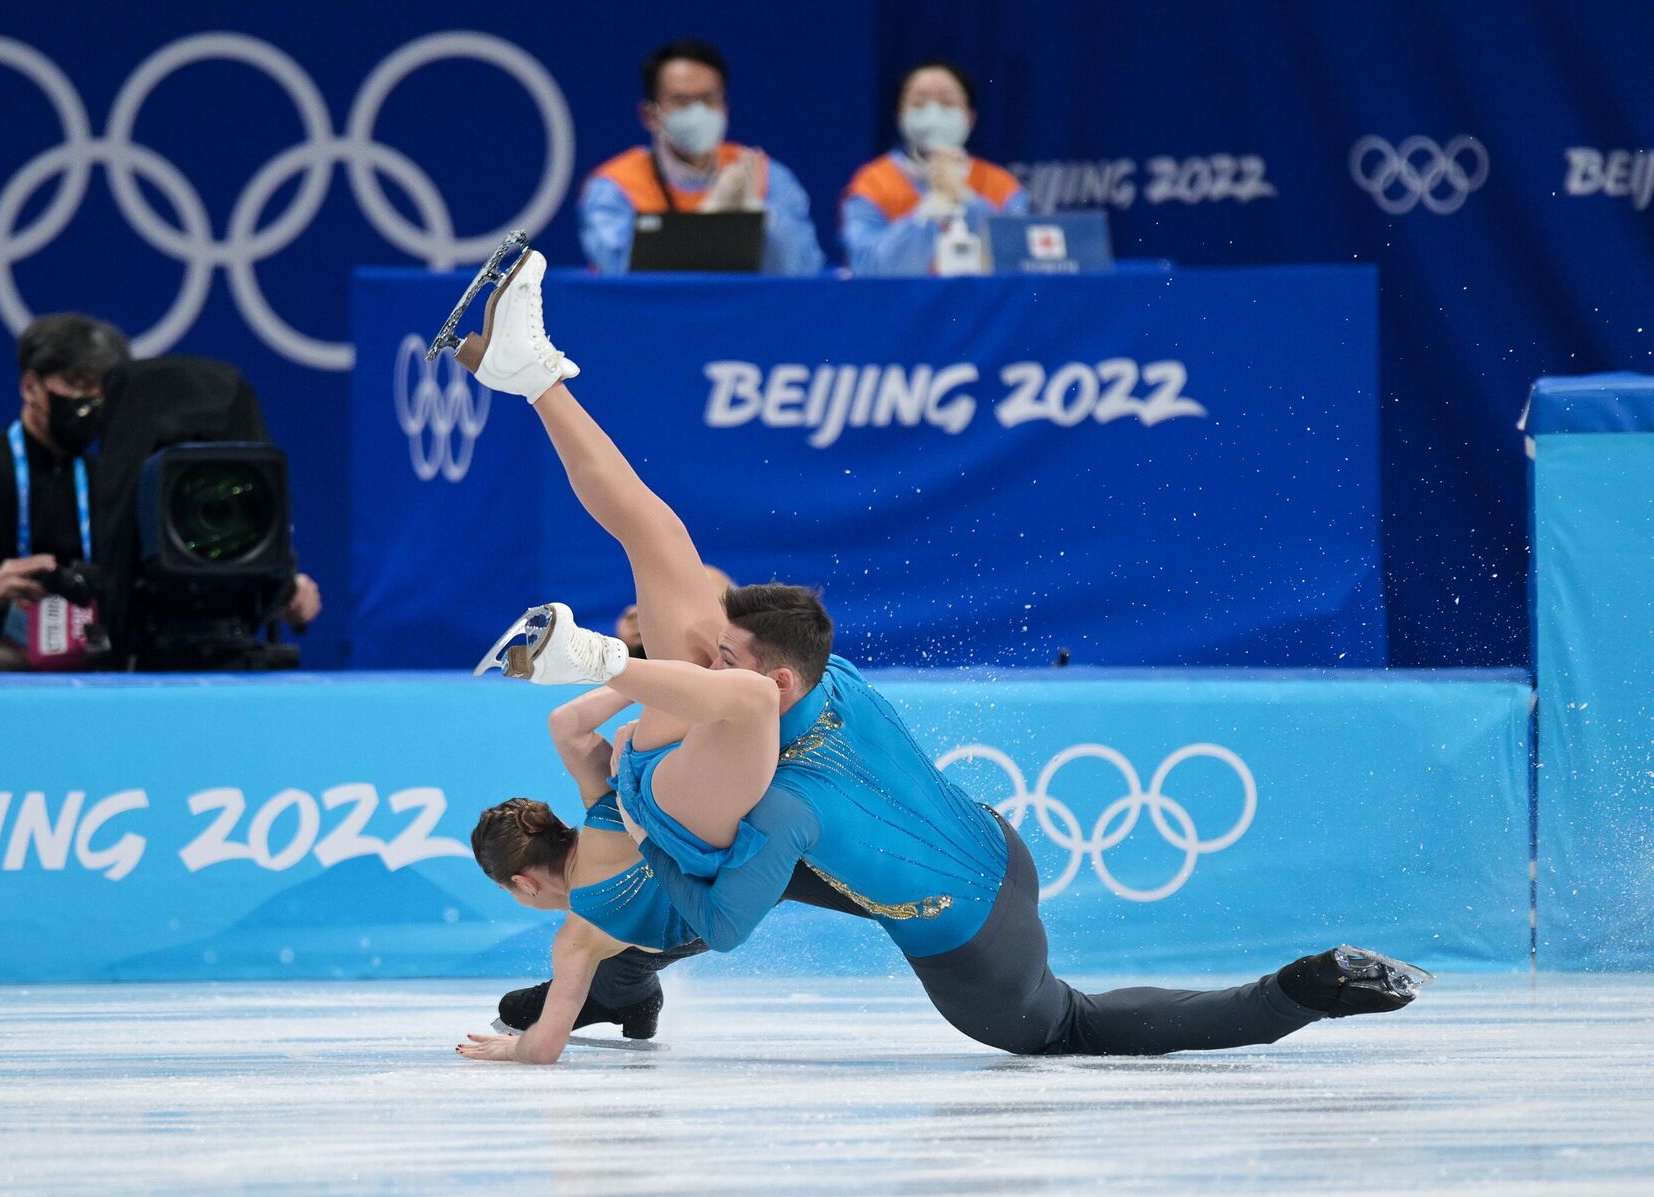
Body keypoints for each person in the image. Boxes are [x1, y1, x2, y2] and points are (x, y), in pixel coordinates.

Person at [453, 242, 1433, 1056]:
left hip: (964, 933)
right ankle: (531, 373)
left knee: (1060, 1026)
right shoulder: (817, 674)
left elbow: (720, 919)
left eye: (728, 651)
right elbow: (702, 612)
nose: (712, 652)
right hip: (994, 845)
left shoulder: (766, 770)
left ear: (773, 669)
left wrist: (610, 693)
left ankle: (1295, 990)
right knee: (662, 544)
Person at [0, 316, 320, 672]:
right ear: (31, 387)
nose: (92, 402)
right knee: (6, 668)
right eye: (78, 385)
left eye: (104, 390)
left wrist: (279, 588)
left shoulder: (117, 481)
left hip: (82, 639)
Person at [463, 686, 868, 1063]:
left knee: (622, 949)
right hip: (766, 821)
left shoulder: (577, 940)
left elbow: (545, 1048)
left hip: (744, 891)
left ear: (523, 882)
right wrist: (639, 679)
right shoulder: (603, 805)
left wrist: (517, 1049)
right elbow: (564, 723)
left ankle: (628, 1000)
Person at [578, 39, 825, 276]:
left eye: (709, 99)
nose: (698, 112)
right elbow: (621, 273)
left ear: (725, 108)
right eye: (681, 101)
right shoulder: (614, 187)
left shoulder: (764, 173)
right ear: (649, 115)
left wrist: (761, 219)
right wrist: (711, 218)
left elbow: (805, 271)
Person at [841, 59, 1029, 276]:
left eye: (947, 102)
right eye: (919, 103)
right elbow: (867, 267)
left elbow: (1020, 260)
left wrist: (963, 198)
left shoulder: (1001, 184)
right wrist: (927, 213)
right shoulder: (873, 182)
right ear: (900, 115)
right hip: (902, 307)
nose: (933, 113)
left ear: (970, 117)